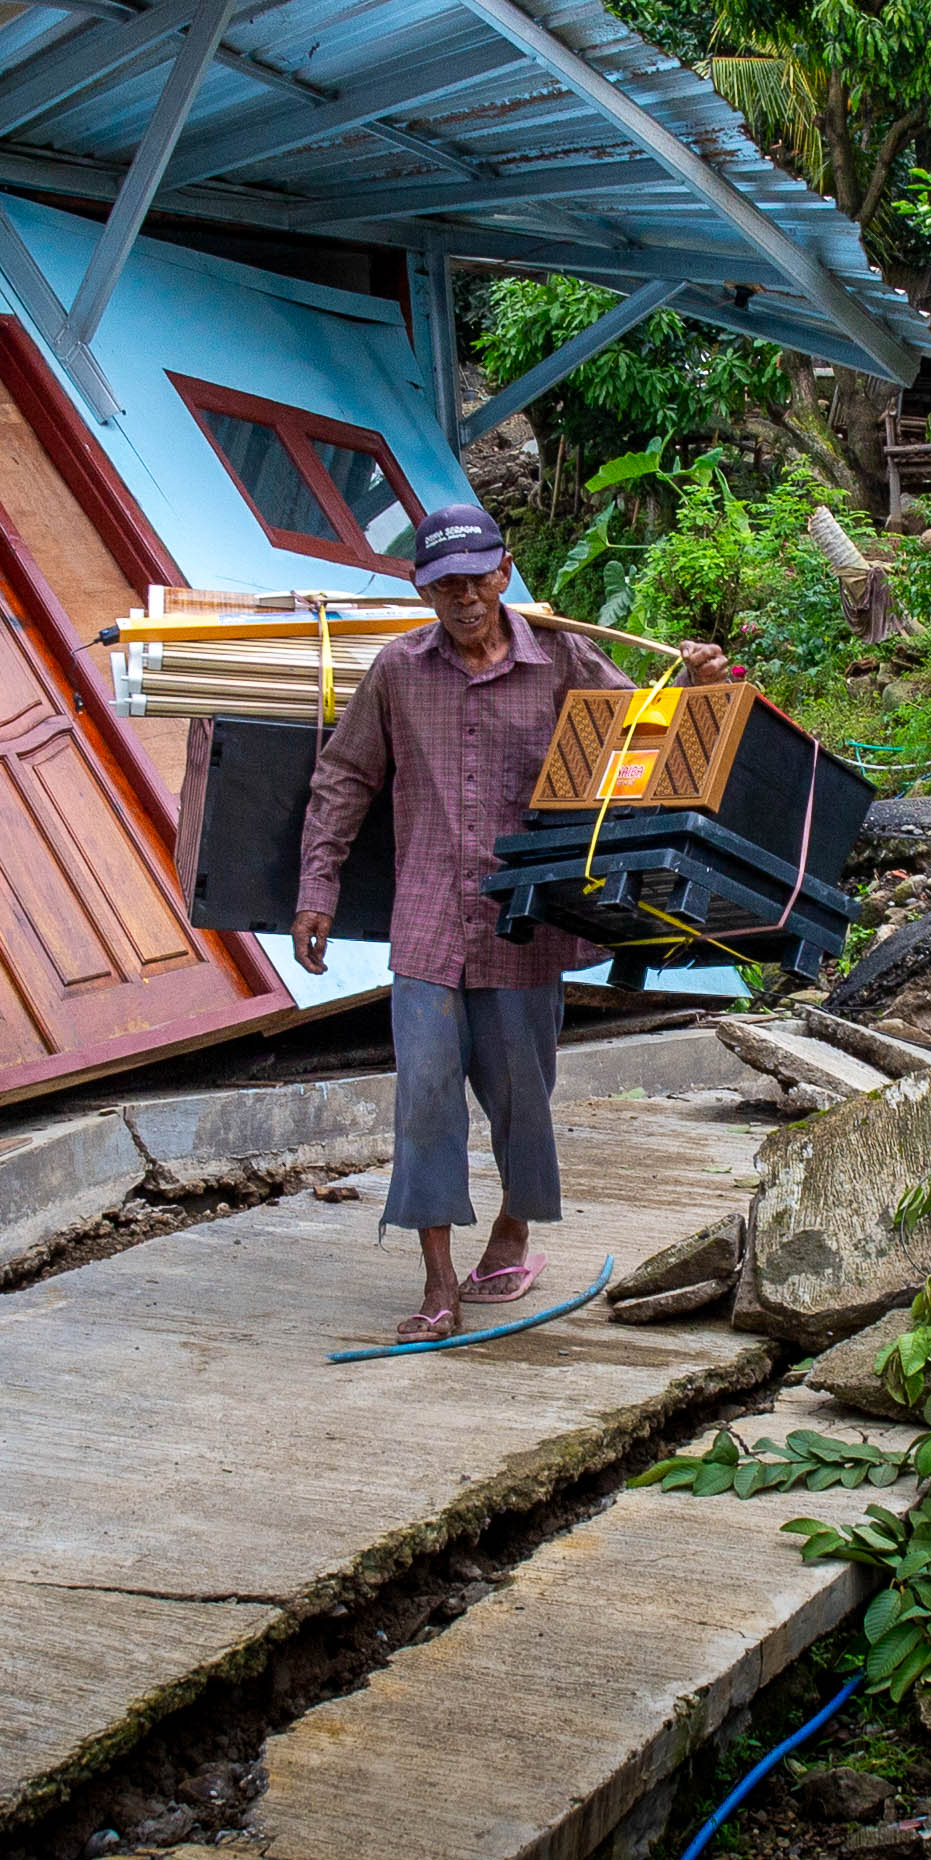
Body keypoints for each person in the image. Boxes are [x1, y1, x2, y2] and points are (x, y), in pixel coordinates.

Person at [293, 506, 736, 1342]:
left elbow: (648, 732)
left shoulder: (562, 657)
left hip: (527, 919)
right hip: (426, 922)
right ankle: (434, 1285)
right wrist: (316, 885)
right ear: (423, 589)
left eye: (475, 578)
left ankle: (512, 1232)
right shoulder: (397, 670)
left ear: (503, 572)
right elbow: (344, 777)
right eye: (443, 584)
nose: (462, 596)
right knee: (425, 1099)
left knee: (519, 1096)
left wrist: (702, 685)